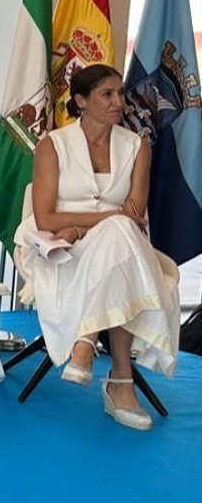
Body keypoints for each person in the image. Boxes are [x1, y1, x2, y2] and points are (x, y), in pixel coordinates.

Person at [16, 64, 180, 431]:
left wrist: (86, 223)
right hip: (61, 249)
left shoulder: (137, 147)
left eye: (120, 93)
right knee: (118, 232)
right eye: (107, 94)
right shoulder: (52, 145)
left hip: (119, 247)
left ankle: (85, 343)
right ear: (80, 101)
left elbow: (135, 215)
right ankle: (120, 380)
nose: (118, 102)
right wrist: (99, 221)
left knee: (119, 237)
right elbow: (44, 219)